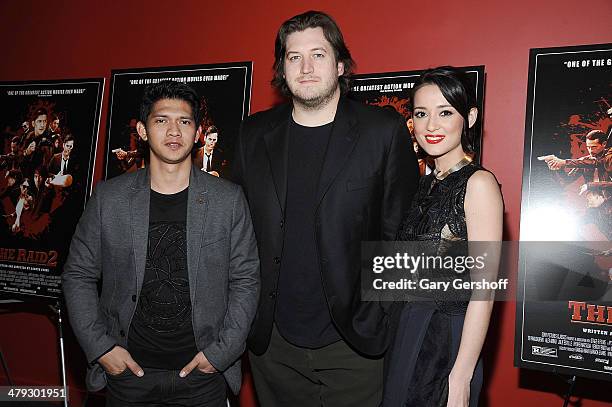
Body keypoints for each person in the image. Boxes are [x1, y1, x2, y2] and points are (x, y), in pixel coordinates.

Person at [234, 10, 419, 407]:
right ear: (282, 69)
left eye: (317, 54)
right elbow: (237, 235)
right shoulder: (253, 135)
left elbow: (400, 237)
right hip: (272, 343)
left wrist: (379, 317)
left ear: (339, 64)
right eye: (293, 56)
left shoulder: (382, 132)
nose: (305, 67)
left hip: (353, 341)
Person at [62, 80, 260, 406]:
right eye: (161, 120)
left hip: (202, 376)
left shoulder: (228, 200)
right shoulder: (109, 199)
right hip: (128, 375)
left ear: (198, 133)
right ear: (142, 130)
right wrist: (102, 348)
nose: (173, 131)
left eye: (184, 122)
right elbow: (77, 275)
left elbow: (247, 280)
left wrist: (220, 354)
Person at [383, 66, 503, 406]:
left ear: (470, 117)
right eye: (421, 113)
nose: (431, 125)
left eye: (445, 112)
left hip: (444, 341)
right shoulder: (422, 184)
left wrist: (461, 376)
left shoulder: (478, 184)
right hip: (405, 331)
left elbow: (484, 288)